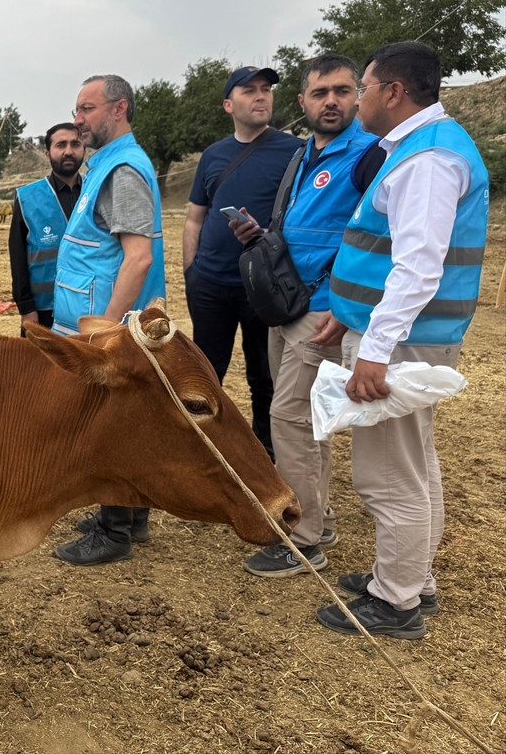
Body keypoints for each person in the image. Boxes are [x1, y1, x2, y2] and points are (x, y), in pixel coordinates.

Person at [314, 42, 488, 639]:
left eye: (361, 87)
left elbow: (417, 266)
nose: (357, 98)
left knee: (388, 475)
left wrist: (375, 350)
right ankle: (414, 579)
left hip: (406, 340)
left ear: (392, 91)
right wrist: (349, 313)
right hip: (410, 335)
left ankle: (396, 602)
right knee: (415, 464)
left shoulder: (427, 161)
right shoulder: (420, 149)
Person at [229, 55, 383, 578]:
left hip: (323, 314)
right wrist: (262, 237)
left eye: (343, 91)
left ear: (359, 96)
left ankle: (303, 537)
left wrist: (346, 306)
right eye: (321, 94)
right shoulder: (305, 156)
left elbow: (380, 240)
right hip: (290, 303)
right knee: (306, 419)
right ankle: (320, 515)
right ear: (303, 103)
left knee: (290, 418)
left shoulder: (367, 156)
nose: (332, 102)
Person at [50, 75, 165, 567]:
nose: (78, 118)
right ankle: (131, 516)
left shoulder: (122, 170)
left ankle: (113, 530)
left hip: (103, 321)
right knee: (122, 416)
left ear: (118, 109)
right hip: (96, 311)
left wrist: (108, 330)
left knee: (107, 423)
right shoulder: (109, 166)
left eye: (87, 108)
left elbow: (137, 258)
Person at [182, 67, 304, 459]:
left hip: (263, 286)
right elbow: (194, 216)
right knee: (205, 373)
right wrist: (190, 271)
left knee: (264, 375)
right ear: (228, 105)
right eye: (249, 90)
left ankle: (263, 451)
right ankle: (204, 449)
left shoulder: (294, 151)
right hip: (210, 284)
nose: (261, 96)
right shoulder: (213, 156)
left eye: (266, 89)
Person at [8, 122, 85, 332]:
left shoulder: (96, 192)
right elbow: (18, 259)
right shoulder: (27, 197)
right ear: (47, 152)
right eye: (61, 145)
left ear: (84, 149)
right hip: (43, 311)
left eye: (75, 144)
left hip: (89, 306)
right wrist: (26, 308)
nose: (69, 151)